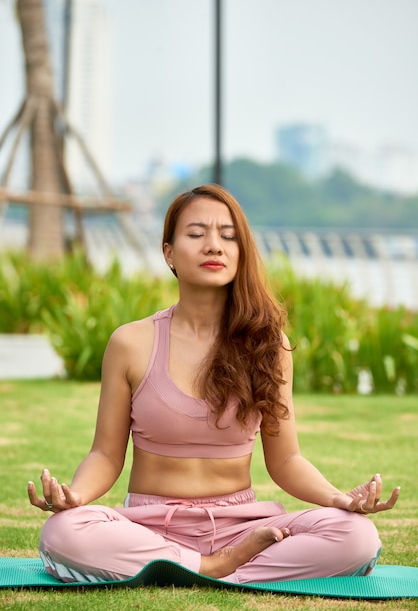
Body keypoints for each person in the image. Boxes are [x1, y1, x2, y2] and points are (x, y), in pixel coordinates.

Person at [28, 184, 400, 584]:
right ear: (169, 252)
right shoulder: (131, 343)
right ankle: (213, 569)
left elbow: (286, 460)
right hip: (149, 527)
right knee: (64, 531)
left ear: (241, 252)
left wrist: (340, 499)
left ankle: (192, 567)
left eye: (227, 235)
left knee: (356, 535)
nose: (213, 246)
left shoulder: (268, 346)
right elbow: (105, 453)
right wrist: (78, 496)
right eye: (196, 234)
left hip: (242, 528)